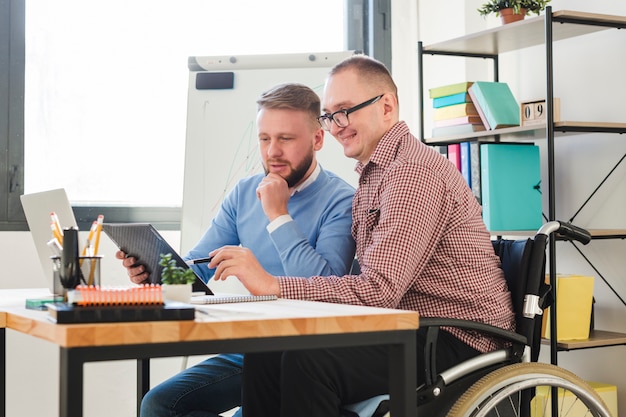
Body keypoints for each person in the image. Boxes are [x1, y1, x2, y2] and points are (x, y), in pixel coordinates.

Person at [207, 55, 516, 417]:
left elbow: (378, 290)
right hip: (406, 327)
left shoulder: (412, 174)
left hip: (457, 338)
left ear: (386, 107)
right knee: (268, 351)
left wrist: (273, 284)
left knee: (310, 362)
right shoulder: (373, 176)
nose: (336, 126)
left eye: (345, 111)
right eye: (329, 115)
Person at [116, 82, 356, 417]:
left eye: (285, 139)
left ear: (317, 139)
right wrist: (153, 274)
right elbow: (196, 268)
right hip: (254, 346)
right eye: (264, 138)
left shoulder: (342, 201)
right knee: (159, 406)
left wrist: (278, 214)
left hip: (305, 355)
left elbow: (327, 285)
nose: (272, 151)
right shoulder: (244, 193)